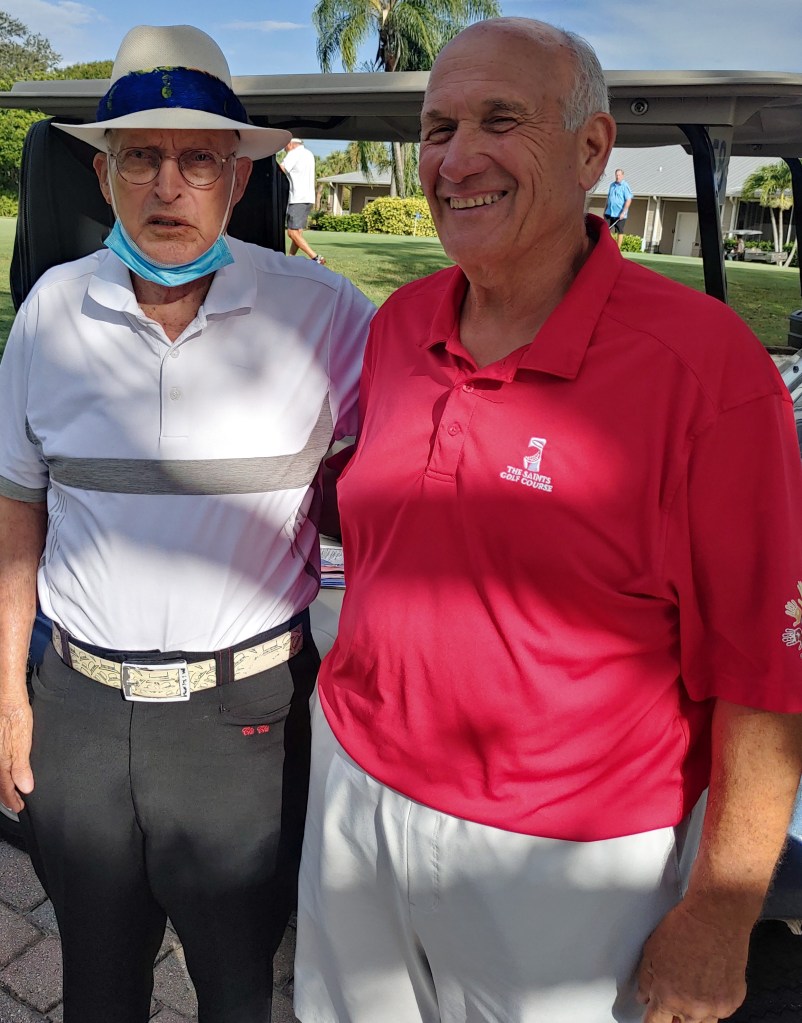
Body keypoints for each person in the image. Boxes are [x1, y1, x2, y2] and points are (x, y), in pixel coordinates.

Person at [293, 16, 802, 1023]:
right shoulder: (398, 327)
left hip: (567, 856)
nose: (456, 160)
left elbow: (764, 672)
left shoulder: (705, 371)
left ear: (591, 148)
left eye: (500, 121)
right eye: (439, 129)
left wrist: (721, 907)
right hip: (355, 789)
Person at [0, 23, 373, 1023]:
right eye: (140, 157)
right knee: (97, 987)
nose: (168, 185)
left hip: (240, 723)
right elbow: (16, 508)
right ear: (103, 172)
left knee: (237, 989)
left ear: (238, 176)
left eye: (198, 158)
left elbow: (396, 473)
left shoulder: (326, 313)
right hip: (77, 711)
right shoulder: (49, 313)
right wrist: (6, 699)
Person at [281, 137, 325, 263]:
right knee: (298, 232)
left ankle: (316, 257)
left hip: (297, 198)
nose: (284, 149)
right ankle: (290, 259)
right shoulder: (308, 154)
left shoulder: (294, 153)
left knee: (292, 232)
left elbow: (282, 169)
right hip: (308, 198)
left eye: (284, 146)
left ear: (290, 143)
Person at [605, 166, 633, 244]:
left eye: (619, 175)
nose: (618, 177)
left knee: (619, 231)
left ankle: (618, 248)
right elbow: (608, 199)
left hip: (620, 214)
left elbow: (628, 200)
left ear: (622, 176)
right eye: (616, 175)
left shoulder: (625, 186)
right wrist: (605, 210)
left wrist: (623, 212)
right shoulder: (612, 185)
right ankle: (607, 245)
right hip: (609, 212)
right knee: (605, 229)